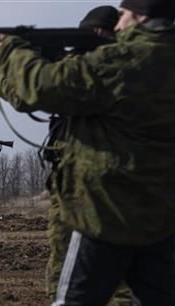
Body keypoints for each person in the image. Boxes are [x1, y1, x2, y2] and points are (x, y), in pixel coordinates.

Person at [0, 0, 175, 304]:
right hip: (160, 213)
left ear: (139, 15)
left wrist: (13, 53)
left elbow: (41, 87)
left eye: (123, 15)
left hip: (104, 210)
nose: (119, 24)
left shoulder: (122, 61)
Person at [45, 6, 133, 306]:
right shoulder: (74, 70)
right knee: (62, 273)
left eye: (93, 33)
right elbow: (45, 89)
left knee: (118, 280)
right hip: (67, 187)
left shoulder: (119, 71)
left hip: (106, 190)